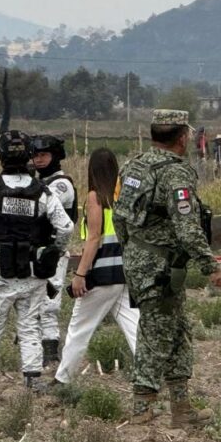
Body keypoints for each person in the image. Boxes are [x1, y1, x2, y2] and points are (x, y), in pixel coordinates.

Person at [114, 109, 221, 429]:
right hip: (160, 265)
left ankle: (181, 408)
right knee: (155, 333)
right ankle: (141, 408)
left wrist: (132, 252)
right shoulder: (176, 174)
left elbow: (119, 216)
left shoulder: (133, 165)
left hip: (142, 259)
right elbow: (187, 228)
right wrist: (211, 267)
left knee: (177, 332)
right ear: (182, 137)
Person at [0, 131, 74, 397]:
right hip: (32, 271)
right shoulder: (42, 192)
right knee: (29, 324)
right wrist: (54, 249)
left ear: (0, 155)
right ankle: (32, 381)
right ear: (29, 156)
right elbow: (65, 227)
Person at [53, 148, 138, 385]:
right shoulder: (125, 198)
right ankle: (153, 375)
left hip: (102, 274)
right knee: (135, 327)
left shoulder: (95, 197)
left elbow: (93, 239)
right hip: (125, 272)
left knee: (79, 327)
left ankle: (63, 379)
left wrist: (80, 274)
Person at [31, 135, 78, 368]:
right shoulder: (39, 182)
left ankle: (51, 354)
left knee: (49, 306)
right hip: (34, 252)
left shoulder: (61, 184)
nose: (38, 160)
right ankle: (34, 348)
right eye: (35, 155)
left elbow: (41, 207)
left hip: (53, 253)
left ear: (55, 156)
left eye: (43, 155)